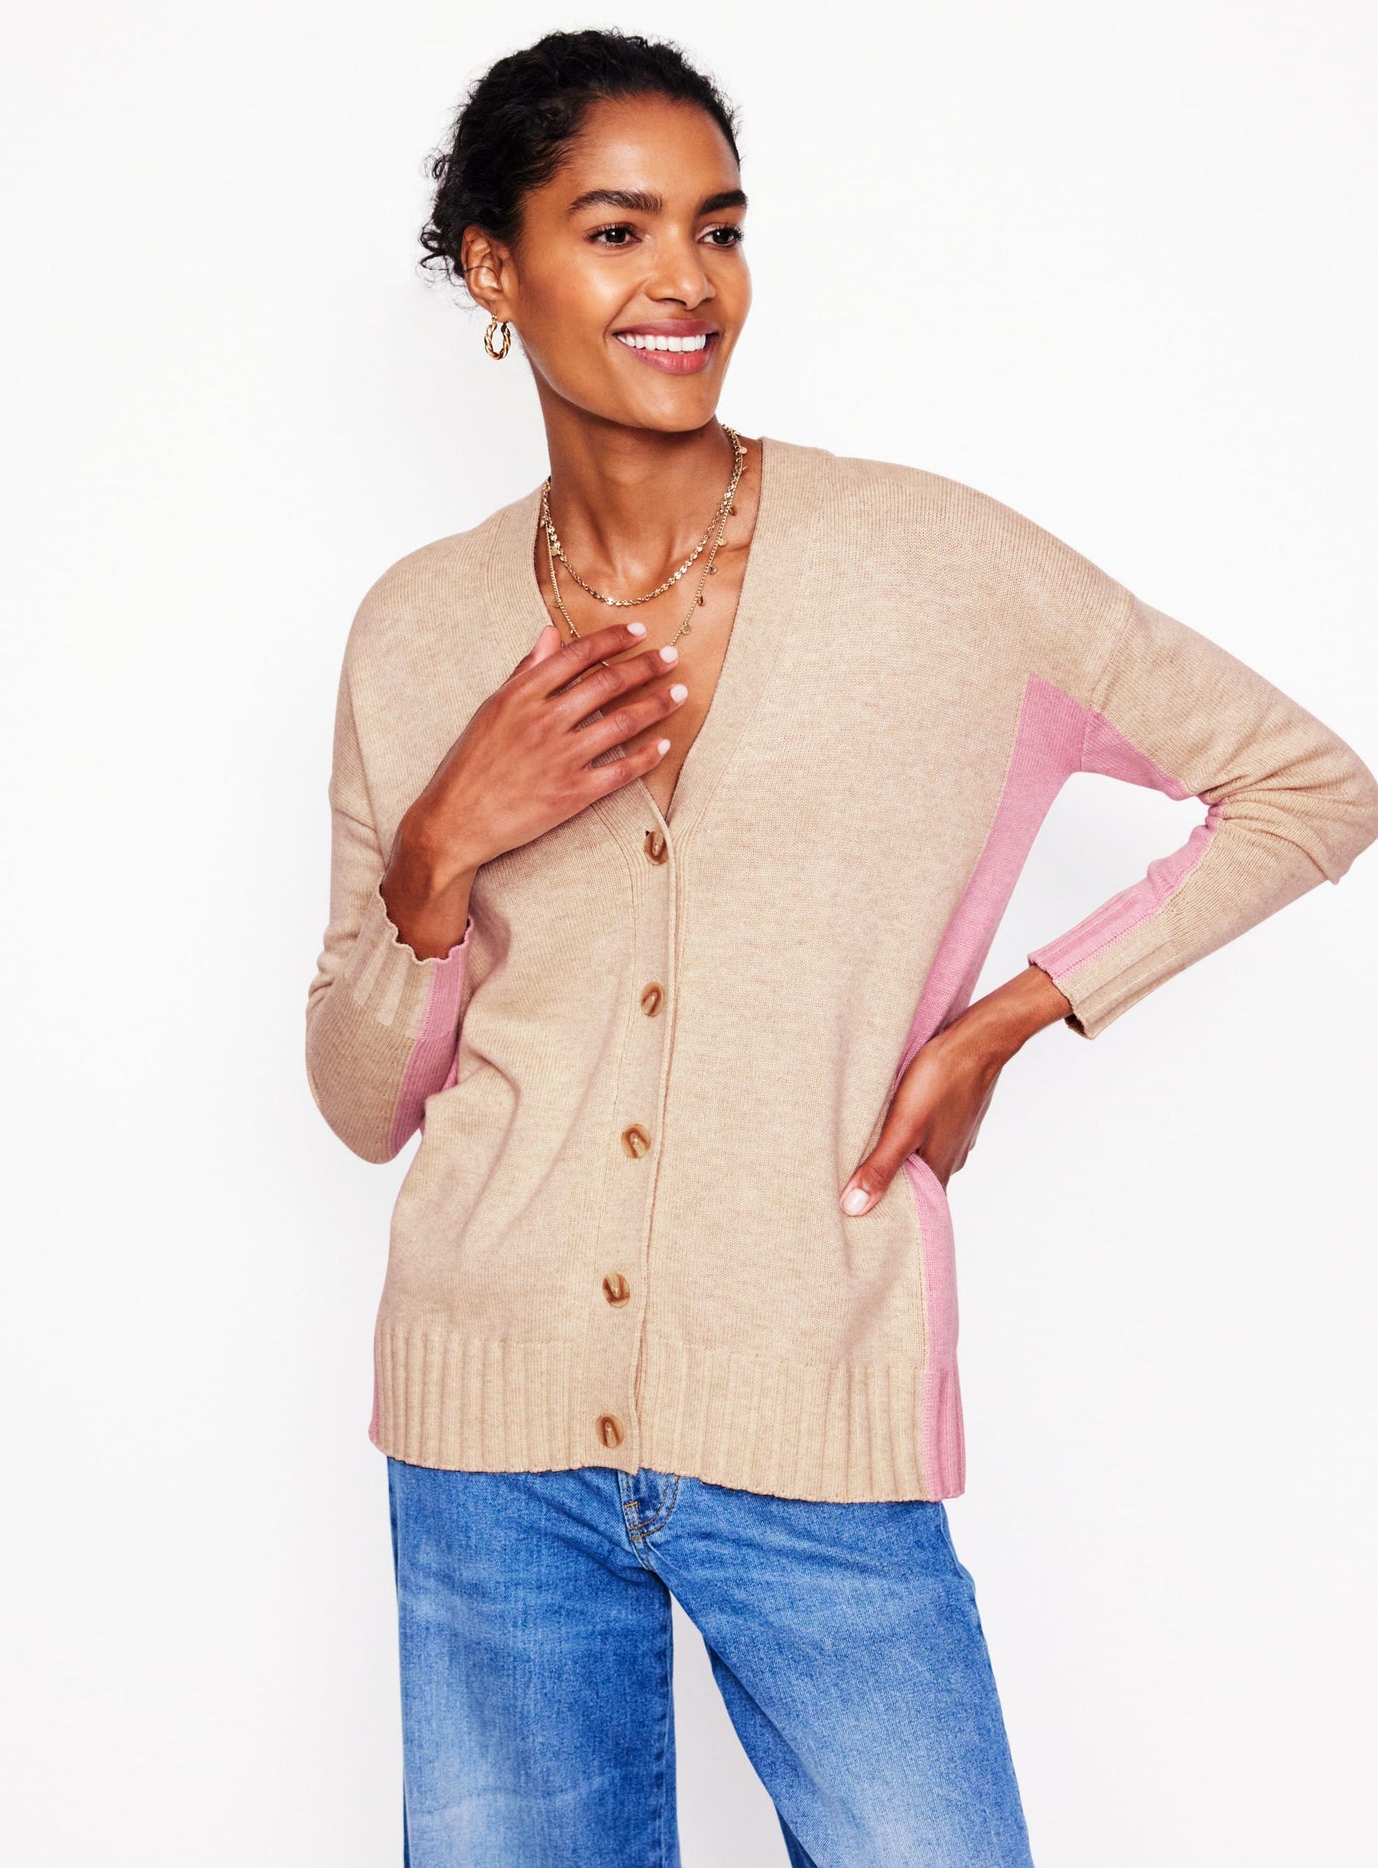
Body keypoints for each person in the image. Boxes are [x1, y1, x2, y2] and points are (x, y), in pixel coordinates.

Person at [304, 29, 1378, 1868]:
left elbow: (1307, 786)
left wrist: (1013, 1018)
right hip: (485, 1437)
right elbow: (356, 1103)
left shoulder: (936, 567)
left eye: (716, 229)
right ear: (493, 268)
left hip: (810, 1396)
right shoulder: (416, 627)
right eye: (617, 230)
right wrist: (436, 853)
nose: (685, 281)